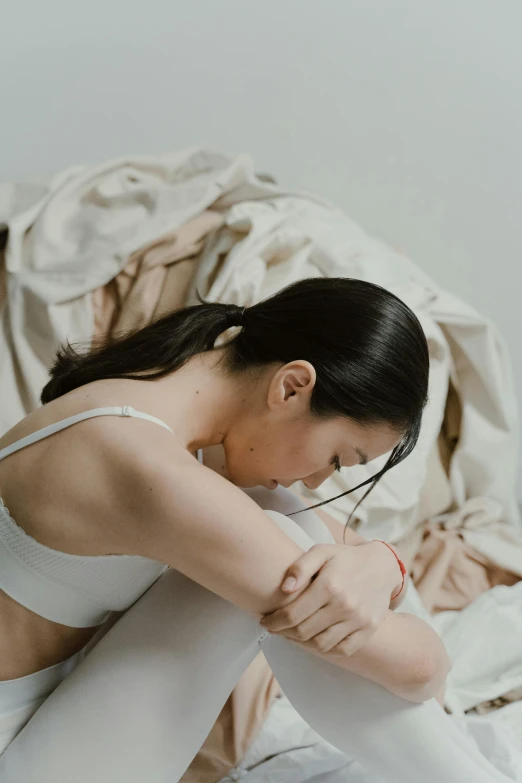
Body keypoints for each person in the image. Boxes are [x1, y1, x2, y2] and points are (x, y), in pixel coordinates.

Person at [0, 278, 510, 782]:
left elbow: (352, 555)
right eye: (336, 458)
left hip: (44, 716)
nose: (316, 479)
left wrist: (385, 563)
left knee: (295, 529)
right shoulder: (149, 468)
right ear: (291, 386)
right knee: (293, 552)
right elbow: (421, 670)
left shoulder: (153, 406)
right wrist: (405, 613)